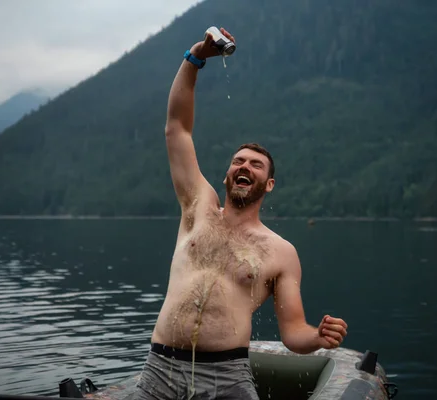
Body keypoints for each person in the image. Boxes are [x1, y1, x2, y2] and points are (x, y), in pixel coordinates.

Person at [133, 27, 348, 400]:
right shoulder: (197, 208)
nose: (244, 166)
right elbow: (177, 129)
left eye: (256, 164)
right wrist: (195, 57)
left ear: (269, 185)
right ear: (227, 175)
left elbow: (293, 331)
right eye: (238, 161)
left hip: (228, 377)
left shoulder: (281, 252)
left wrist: (317, 336)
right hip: (161, 370)